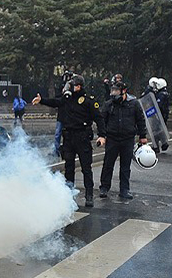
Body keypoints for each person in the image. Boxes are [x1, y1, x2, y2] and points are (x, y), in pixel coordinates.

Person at [33, 74, 106, 207]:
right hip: (68, 137)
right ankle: (68, 195)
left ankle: (89, 195)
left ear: (78, 87)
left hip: (82, 137)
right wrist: (42, 100)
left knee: (86, 168)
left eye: (71, 85)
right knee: (69, 168)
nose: (68, 87)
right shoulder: (67, 98)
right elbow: (56, 102)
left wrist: (102, 135)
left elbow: (99, 118)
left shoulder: (88, 101)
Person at [99, 82, 148, 200]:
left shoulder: (134, 104)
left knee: (125, 166)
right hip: (112, 138)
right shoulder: (109, 104)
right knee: (108, 164)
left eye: (116, 91)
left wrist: (143, 135)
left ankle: (124, 189)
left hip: (127, 139)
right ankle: (104, 187)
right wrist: (102, 135)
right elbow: (102, 121)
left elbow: (140, 120)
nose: (114, 93)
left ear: (124, 91)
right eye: (113, 90)